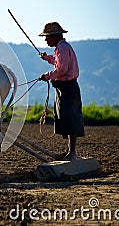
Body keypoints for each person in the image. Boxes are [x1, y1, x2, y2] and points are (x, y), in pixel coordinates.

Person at [38, 22, 84, 161]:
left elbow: (61, 70)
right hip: (64, 88)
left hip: (68, 88)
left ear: (55, 36)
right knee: (67, 118)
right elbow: (59, 63)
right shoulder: (60, 48)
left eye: (47, 37)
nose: (46, 40)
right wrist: (47, 58)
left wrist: (47, 76)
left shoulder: (62, 48)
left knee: (70, 119)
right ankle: (70, 151)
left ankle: (72, 152)